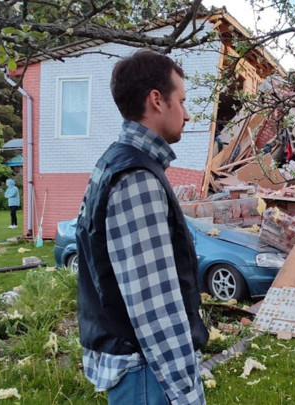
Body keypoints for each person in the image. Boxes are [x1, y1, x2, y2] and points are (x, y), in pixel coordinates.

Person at [75, 50, 208, 405]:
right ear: (156, 100)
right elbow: (155, 307)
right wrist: (187, 393)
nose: (187, 112)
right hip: (148, 375)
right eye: (181, 100)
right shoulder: (137, 178)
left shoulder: (114, 163)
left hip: (137, 370)